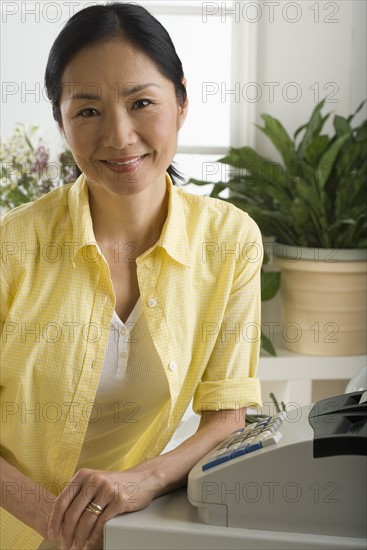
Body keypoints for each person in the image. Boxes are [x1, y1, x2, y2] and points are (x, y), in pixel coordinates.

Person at [0, 3, 263, 549]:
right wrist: (65, 528)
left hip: (135, 528)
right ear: (61, 120)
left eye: (142, 102)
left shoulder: (230, 240)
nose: (120, 137)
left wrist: (143, 482)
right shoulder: (12, 248)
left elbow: (226, 419)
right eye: (88, 111)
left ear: (182, 101)